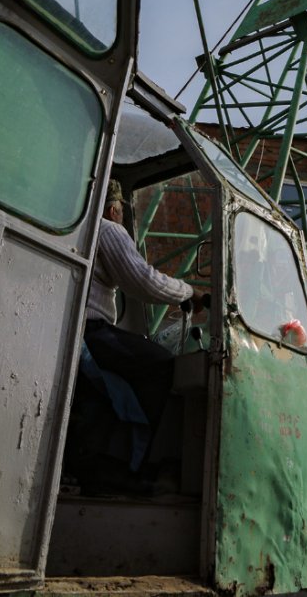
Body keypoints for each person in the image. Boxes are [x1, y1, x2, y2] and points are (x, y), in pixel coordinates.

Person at [67, 179, 202, 495]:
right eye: (123, 213)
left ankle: (95, 459)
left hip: (75, 328)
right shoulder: (107, 228)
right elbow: (143, 280)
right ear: (115, 209)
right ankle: (120, 464)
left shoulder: (78, 228)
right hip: (89, 329)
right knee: (160, 364)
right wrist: (190, 292)